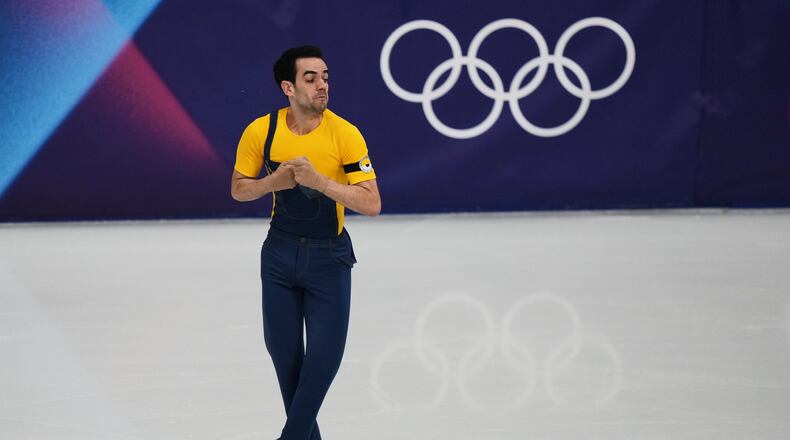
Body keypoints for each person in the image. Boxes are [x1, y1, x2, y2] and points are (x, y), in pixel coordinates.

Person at [230, 45, 380, 440]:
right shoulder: (261, 131)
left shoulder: (345, 134)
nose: (322, 86)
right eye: (310, 78)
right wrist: (272, 183)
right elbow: (239, 190)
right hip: (278, 257)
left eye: (325, 77)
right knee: (288, 363)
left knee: (323, 361)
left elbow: (372, 203)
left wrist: (323, 183)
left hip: (329, 258)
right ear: (288, 87)